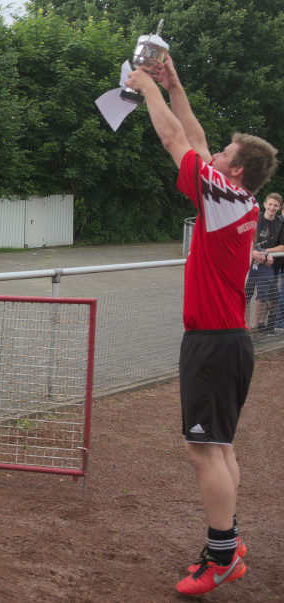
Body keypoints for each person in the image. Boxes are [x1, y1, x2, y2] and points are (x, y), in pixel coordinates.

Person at [126, 55, 278, 596]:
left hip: (213, 343)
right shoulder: (237, 197)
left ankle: (221, 556)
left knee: (204, 451)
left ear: (234, 171)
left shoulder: (222, 195)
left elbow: (175, 138)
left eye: (224, 155)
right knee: (220, 447)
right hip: (227, 341)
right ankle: (229, 542)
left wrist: (145, 87)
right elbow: (194, 135)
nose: (213, 154)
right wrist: (174, 84)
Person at [244, 193, 284, 333]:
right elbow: (244, 239)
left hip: (268, 264)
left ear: (279, 208)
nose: (272, 207)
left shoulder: (280, 223)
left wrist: (265, 252)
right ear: (265, 204)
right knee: (246, 296)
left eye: (275, 205)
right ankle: (245, 326)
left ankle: (257, 326)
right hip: (248, 262)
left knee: (264, 296)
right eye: (270, 204)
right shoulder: (255, 218)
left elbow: (282, 246)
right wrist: (253, 252)